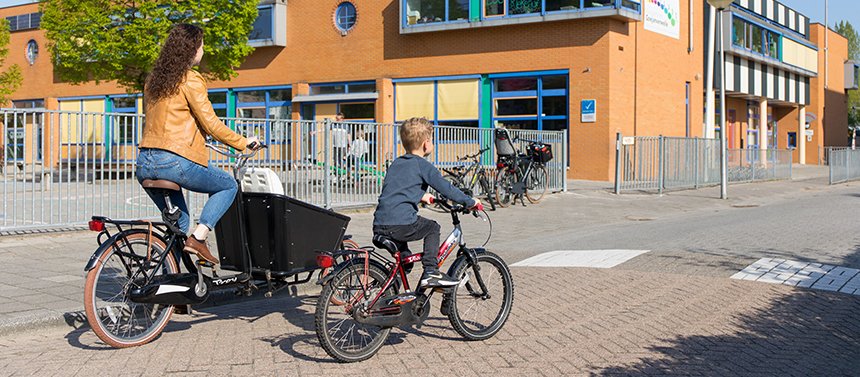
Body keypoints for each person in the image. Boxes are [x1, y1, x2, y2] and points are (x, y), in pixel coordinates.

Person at [136, 23, 259, 265]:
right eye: (201, 46)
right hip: (173, 160)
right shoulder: (190, 79)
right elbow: (210, 122)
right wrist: (243, 142)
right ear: (192, 49)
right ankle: (200, 239)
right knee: (227, 186)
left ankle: (173, 287)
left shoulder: (153, 81)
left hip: (144, 162)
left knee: (180, 225)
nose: (203, 51)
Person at [372, 117, 480, 288]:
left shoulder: (396, 163)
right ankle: (431, 271)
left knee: (405, 263)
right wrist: (469, 201)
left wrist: (421, 195)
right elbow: (446, 188)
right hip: (402, 224)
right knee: (433, 228)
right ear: (426, 143)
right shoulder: (423, 165)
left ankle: (389, 298)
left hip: (380, 224)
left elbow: (398, 187)